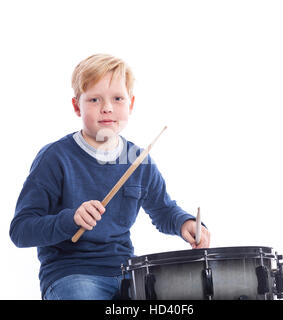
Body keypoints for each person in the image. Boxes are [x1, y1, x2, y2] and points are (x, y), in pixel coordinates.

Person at [9, 53, 210, 300]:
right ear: (76, 106)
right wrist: (69, 219)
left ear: (131, 104)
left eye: (117, 98)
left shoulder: (138, 160)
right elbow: (20, 230)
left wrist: (185, 223)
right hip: (71, 274)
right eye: (94, 99)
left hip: (127, 272)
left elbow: (164, 210)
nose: (107, 107)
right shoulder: (55, 158)